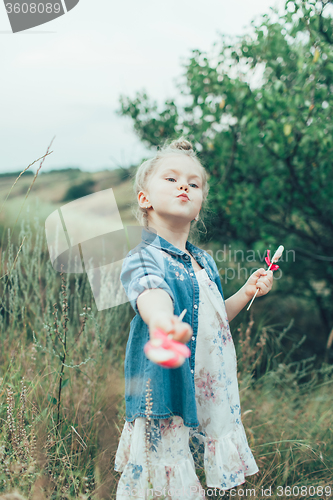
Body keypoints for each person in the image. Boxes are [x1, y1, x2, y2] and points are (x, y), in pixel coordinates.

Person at [114, 137, 273, 499]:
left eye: (194, 182)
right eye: (170, 179)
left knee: (206, 477)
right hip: (169, 389)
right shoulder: (145, 256)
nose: (184, 185)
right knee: (165, 478)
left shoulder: (205, 262)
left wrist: (245, 293)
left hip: (211, 387)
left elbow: (214, 323)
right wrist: (163, 323)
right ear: (145, 199)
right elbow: (150, 295)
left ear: (199, 206)